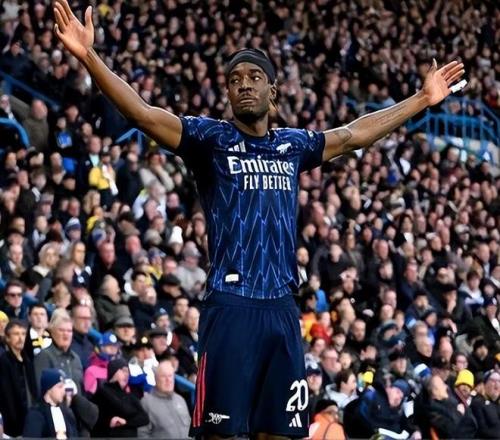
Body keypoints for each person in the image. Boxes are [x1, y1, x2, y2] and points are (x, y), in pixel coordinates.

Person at [53, 1, 465, 435]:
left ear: (273, 92)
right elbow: (141, 113)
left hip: (282, 309)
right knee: (221, 433)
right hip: (232, 305)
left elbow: (352, 135)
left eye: (253, 77)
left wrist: (421, 99)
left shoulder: (293, 145)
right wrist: (89, 56)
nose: (244, 85)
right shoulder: (210, 139)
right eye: (234, 80)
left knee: (282, 432)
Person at [91, 358, 149, 437]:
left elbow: (144, 418)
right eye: (123, 371)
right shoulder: (102, 393)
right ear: (113, 372)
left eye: (128, 372)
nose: (127, 375)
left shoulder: (129, 395)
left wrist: (125, 422)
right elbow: (120, 408)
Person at [0, 319, 37, 437]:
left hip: (30, 418)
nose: (21, 338)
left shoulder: (28, 362)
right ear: (7, 338)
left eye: (23, 334)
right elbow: (6, 396)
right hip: (12, 424)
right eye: (16, 334)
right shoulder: (3, 361)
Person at [138, 359, 191, 438]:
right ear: (156, 379)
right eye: (163, 376)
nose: (168, 380)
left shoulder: (180, 400)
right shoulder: (146, 403)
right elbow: (142, 435)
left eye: (170, 376)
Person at [23, 368, 78, 439]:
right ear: (49, 389)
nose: (63, 391)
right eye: (60, 387)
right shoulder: (36, 414)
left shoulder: (67, 412)